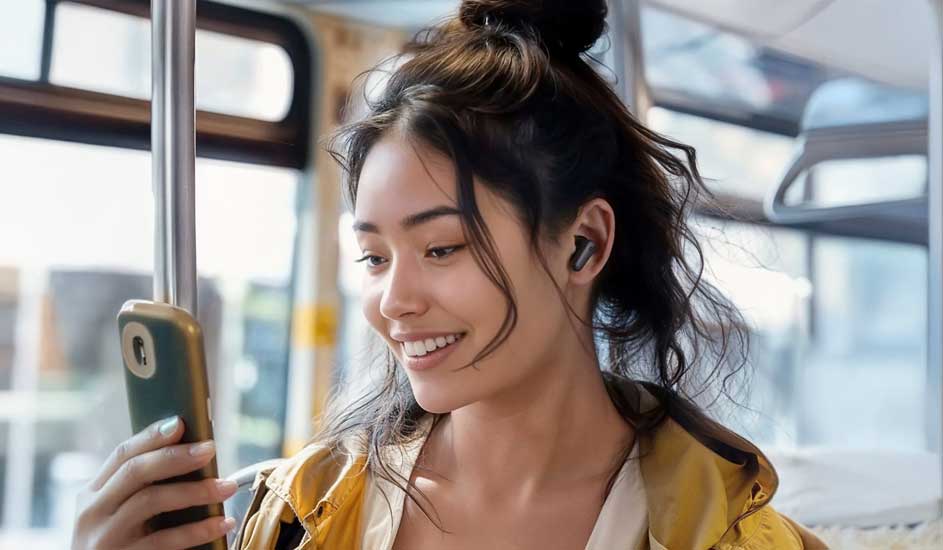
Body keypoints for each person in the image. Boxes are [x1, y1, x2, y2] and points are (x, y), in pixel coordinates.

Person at [72, 1, 828, 548]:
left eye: (441, 248)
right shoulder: (301, 516)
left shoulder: (730, 534)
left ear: (583, 245)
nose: (393, 302)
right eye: (374, 258)